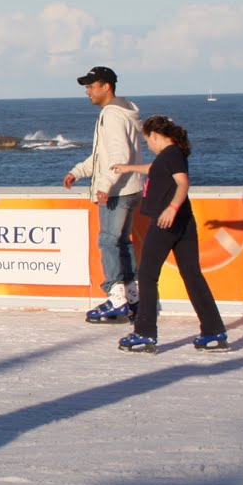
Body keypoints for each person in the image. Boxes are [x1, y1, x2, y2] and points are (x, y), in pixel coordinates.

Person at [109, 116, 228, 354]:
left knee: (147, 275)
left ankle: (144, 333)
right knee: (192, 275)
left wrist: (171, 208)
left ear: (154, 134)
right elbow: (155, 170)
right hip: (184, 223)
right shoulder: (171, 155)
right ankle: (214, 332)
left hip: (167, 223)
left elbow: (183, 183)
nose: (148, 145)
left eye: (147, 140)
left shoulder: (171, 154)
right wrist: (128, 168)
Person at [63, 66, 145, 323]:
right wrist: (78, 172)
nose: (87, 91)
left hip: (118, 191)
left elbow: (119, 157)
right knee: (122, 242)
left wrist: (105, 186)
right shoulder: (124, 111)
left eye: (91, 86)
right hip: (131, 188)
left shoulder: (111, 115)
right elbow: (102, 156)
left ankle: (116, 298)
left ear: (106, 86)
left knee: (109, 242)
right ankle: (133, 297)